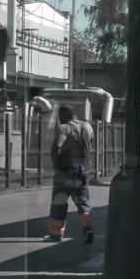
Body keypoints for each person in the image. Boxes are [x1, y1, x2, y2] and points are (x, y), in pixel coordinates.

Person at [48, 104, 94, 243]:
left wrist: (56, 166)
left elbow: (58, 145)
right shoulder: (88, 127)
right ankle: (88, 228)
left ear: (63, 116)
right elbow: (90, 141)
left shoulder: (64, 128)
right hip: (83, 171)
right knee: (83, 202)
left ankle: (56, 234)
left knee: (59, 201)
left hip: (66, 172)